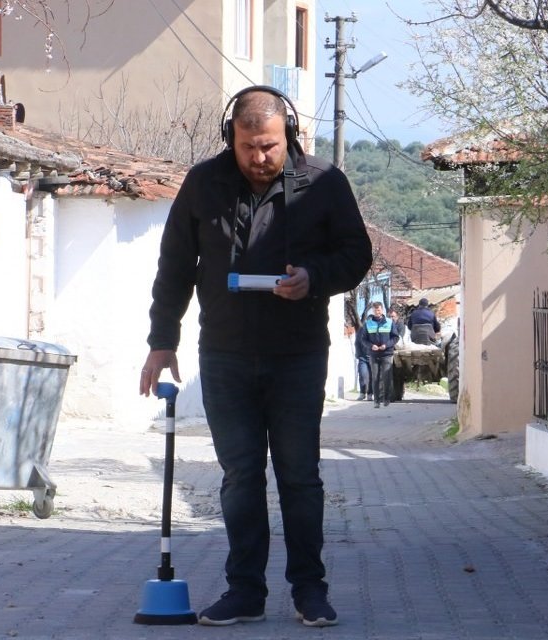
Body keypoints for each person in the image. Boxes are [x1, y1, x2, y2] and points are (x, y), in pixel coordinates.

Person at [139, 85, 371, 628]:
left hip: (298, 355)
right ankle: (245, 591)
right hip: (225, 356)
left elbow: (356, 254)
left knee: (299, 476)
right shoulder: (203, 184)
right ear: (231, 138)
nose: (259, 158)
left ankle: (309, 591)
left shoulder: (324, 183)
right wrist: (161, 341)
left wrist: (314, 279)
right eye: (248, 147)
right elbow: (174, 266)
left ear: (287, 133)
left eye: (268, 146)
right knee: (240, 476)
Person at [363, 301, 398, 409]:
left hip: (386, 354)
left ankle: (386, 398)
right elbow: (364, 339)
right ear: (372, 311)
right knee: (375, 378)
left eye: (378, 310)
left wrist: (386, 345)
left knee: (386, 377)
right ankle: (376, 401)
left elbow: (395, 337)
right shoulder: (368, 323)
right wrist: (370, 346)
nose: (377, 312)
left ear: (382, 310)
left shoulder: (389, 322)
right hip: (374, 354)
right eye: (375, 310)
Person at [354, 313, 372, 401]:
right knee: (363, 374)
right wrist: (359, 355)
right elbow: (357, 343)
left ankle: (370, 394)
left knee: (373, 376)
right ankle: (362, 393)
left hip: (374, 358)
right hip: (363, 358)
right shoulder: (361, 330)